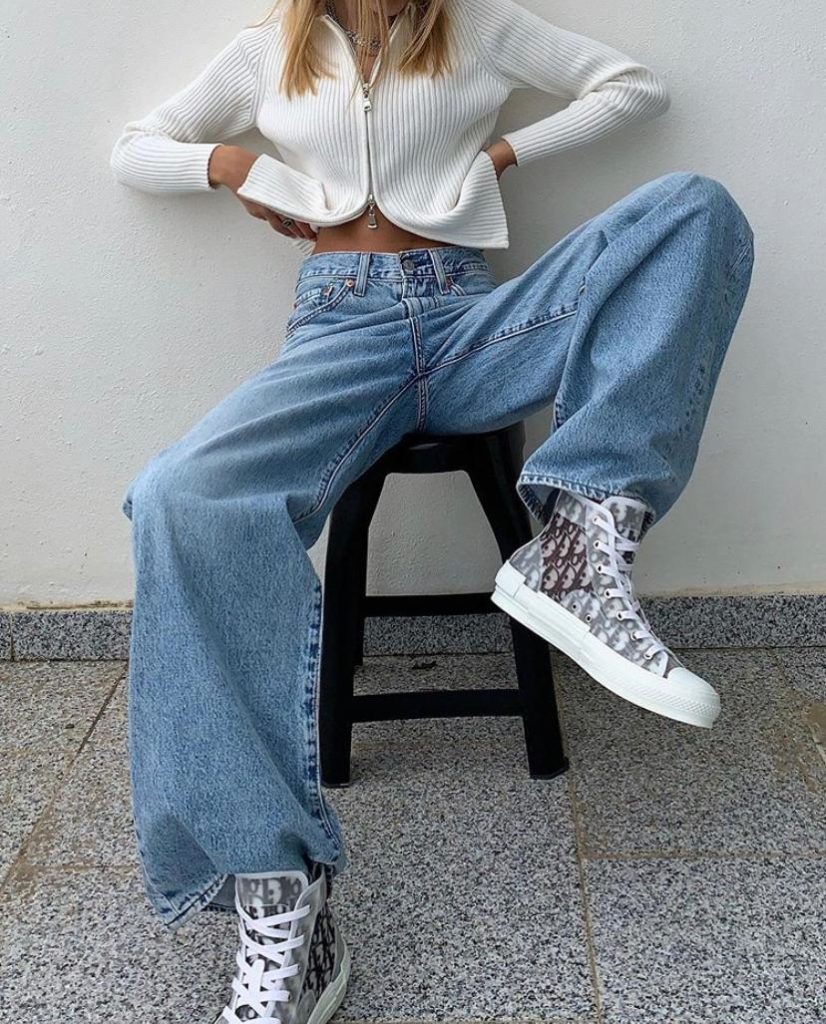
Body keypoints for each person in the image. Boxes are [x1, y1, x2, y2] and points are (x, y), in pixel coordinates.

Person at [110, 0, 755, 1020]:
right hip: (340, 329)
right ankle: (282, 892)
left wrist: (499, 154)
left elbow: (635, 88)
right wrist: (230, 166)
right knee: (180, 497)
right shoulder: (265, 52)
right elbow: (134, 147)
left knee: (692, 211)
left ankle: (581, 547)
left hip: (472, 316)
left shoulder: (477, 25)